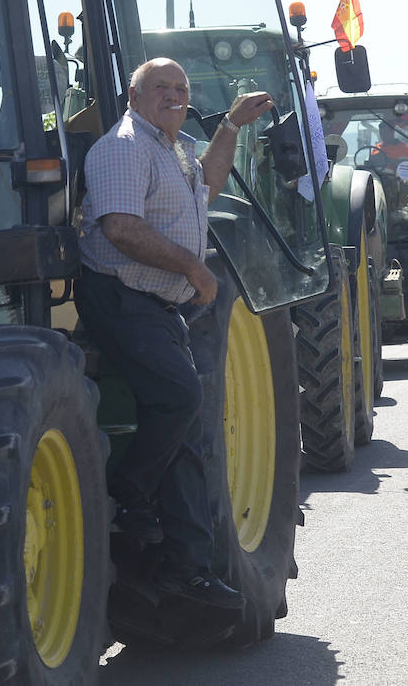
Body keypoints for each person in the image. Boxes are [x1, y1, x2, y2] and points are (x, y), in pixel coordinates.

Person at [76, 57, 274, 609]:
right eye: (160, 87)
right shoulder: (122, 145)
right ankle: (129, 492)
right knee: (181, 396)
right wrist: (193, 268)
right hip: (121, 297)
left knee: (187, 429)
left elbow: (205, 187)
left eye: (181, 88)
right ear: (133, 96)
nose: (173, 95)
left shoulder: (173, 146)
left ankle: (188, 570)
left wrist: (230, 127)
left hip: (158, 305)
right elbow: (119, 228)